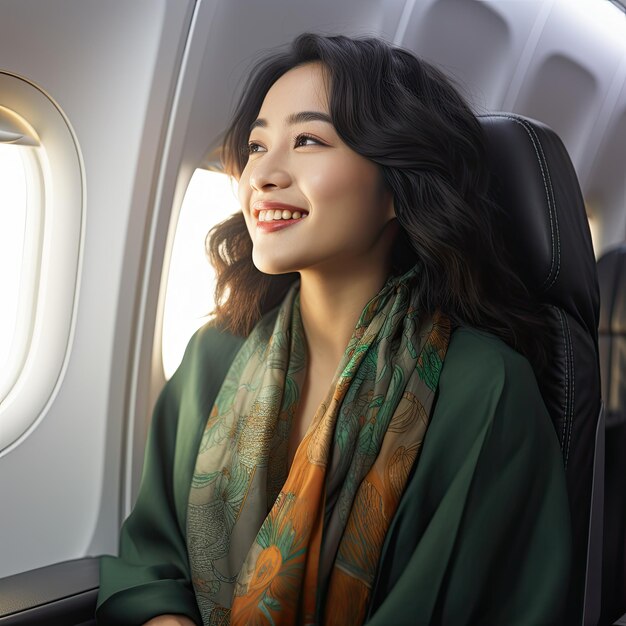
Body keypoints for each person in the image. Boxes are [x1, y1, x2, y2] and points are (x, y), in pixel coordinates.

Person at [96, 33, 571, 625]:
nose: (262, 174)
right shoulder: (212, 357)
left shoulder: (484, 388)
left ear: (398, 184)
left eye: (307, 140)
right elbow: (151, 559)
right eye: (256, 145)